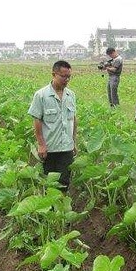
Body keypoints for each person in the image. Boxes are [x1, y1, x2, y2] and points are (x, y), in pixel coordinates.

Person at [28, 60, 77, 190]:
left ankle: (61, 209)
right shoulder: (41, 95)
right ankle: (52, 209)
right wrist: (41, 144)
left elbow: (73, 119)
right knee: (49, 183)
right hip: (50, 148)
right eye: (63, 76)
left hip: (66, 147)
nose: (66, 80)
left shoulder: (70, 95)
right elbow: (37, 120)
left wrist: (73, 141)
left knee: (64, 182)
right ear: (53, 74)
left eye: (69, 77)